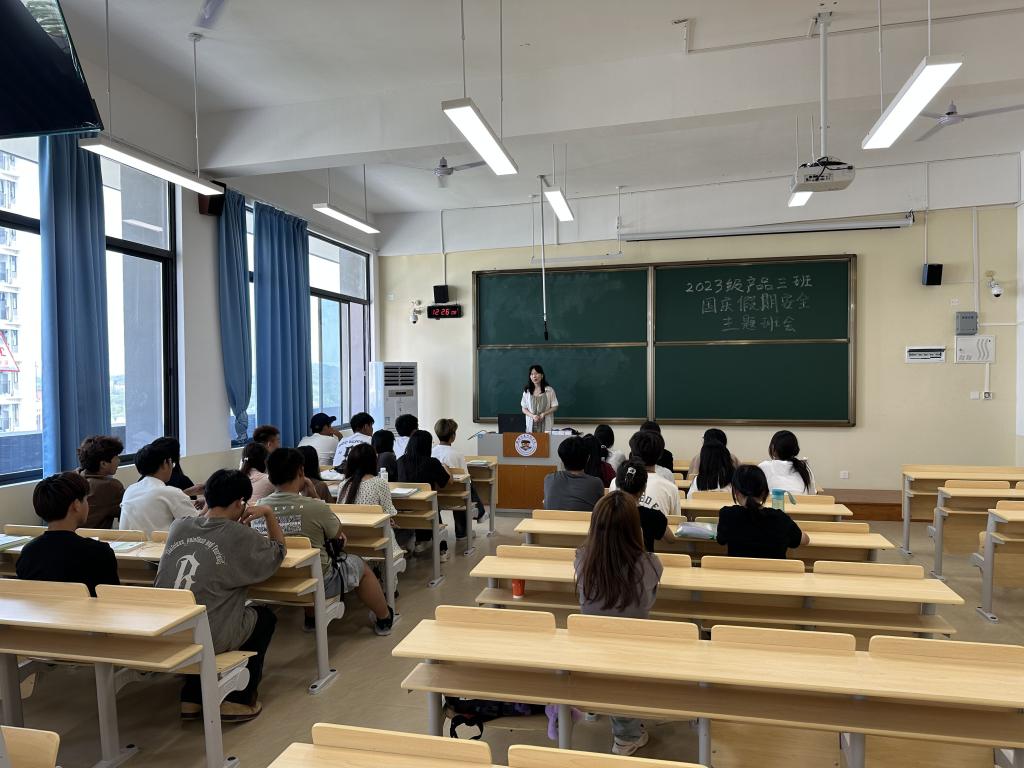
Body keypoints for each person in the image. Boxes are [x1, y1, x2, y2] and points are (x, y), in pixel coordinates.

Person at [154, 469, 285, 722]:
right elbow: (278, 552)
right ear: (240, 503)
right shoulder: (241, 535)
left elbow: (207, 526)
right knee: (264, 618)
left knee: (205, 607)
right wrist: (268, 513)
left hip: (170, 629)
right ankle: (238, 699)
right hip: (209, 635)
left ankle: (191, 696)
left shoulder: (179, 526)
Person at [260, 448, 394, 634]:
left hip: (273, 577)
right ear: (301, 471)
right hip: (319, 580)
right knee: (360, 566)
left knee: (304, 562)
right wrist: (315, 496)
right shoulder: (314, 507)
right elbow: (337, 531)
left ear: (270, 476)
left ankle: (311, 619)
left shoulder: (260, 507)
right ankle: (384, 617)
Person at [574, 491, 662, 755]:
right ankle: (626, 736)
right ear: (636, 528)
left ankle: (594, 708)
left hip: (588, 649)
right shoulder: (651, 565)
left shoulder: (581, 559)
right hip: (633, 653)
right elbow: (648, 602)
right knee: (629, 650)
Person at [16, 472, 119, 596]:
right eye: (85, 499)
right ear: (76, 505)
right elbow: (113, 596)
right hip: (86, 609)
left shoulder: (28, 552)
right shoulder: (100, 552)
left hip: (43, 609)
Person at [717, 465, 808, 558]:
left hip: (738, 568)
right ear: (764, 492)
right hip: (774, 568)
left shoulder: (727, 515)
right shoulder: (780, 518)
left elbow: (721, 540)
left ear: (736, 492)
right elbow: (804, 540)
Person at [338, 443, 405, 563]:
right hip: (376, 541)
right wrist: (387, 519)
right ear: (373, 462)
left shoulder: (343, 484)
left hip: (349, 541)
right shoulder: (379, 483)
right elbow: (389, 512)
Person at [397, 429, 454, 561]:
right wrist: (445, 467)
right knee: (432, 506)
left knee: (423, 505)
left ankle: (421, 541)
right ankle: (442, 550)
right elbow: (446, 481)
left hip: (403, 510)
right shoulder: (432, 462)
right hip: (427, 510)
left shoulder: (400, 461)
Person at [119, 442, 197, 535]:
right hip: (158, 544)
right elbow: (196, 525)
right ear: (165, 463)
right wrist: (208, 505)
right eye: (171, 462)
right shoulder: (170, 492)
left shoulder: (130, 490)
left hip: (127, 543)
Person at [610, 430, 680, 517]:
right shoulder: (671, 489)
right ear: (660, 456)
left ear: (632, 453)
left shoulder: (616, 482)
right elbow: (675, 522)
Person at [614, 458, 678, 552]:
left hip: (611, 561)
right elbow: (671, 540)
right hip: (643, 561)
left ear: (618, 485)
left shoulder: (607, 512)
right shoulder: (654, 516)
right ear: (644, 488)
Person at [544, 436, 605, 511]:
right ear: (588, 458)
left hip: (552, 519)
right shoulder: (596, 483)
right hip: (584, 519)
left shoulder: (549, 479)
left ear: (562, 460)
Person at [76, 434, 125, 529]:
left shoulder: (74, 476)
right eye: (116, 457)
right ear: (103, 464)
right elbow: (129, 512)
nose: (119, 461)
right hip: (95, 537)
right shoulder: (110, 487)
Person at [759, 430, 816, 494]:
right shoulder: (805, 468)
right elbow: (813, 495)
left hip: (775, 501)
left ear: (772, 448)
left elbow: (755, 494)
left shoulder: (764, 467)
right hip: (801, 501)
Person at [521, 364, 558, 433]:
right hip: (531, 424)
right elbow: (524, 409)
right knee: (531, 439)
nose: (534, 376)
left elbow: (555, 406)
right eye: (532, 374)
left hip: (546, 424)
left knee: (546, 439)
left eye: (536, 373)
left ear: (542, 375)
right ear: (530, 377)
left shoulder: (549, 390)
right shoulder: (527, 391)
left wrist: (544, 414)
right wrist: (532, 416)